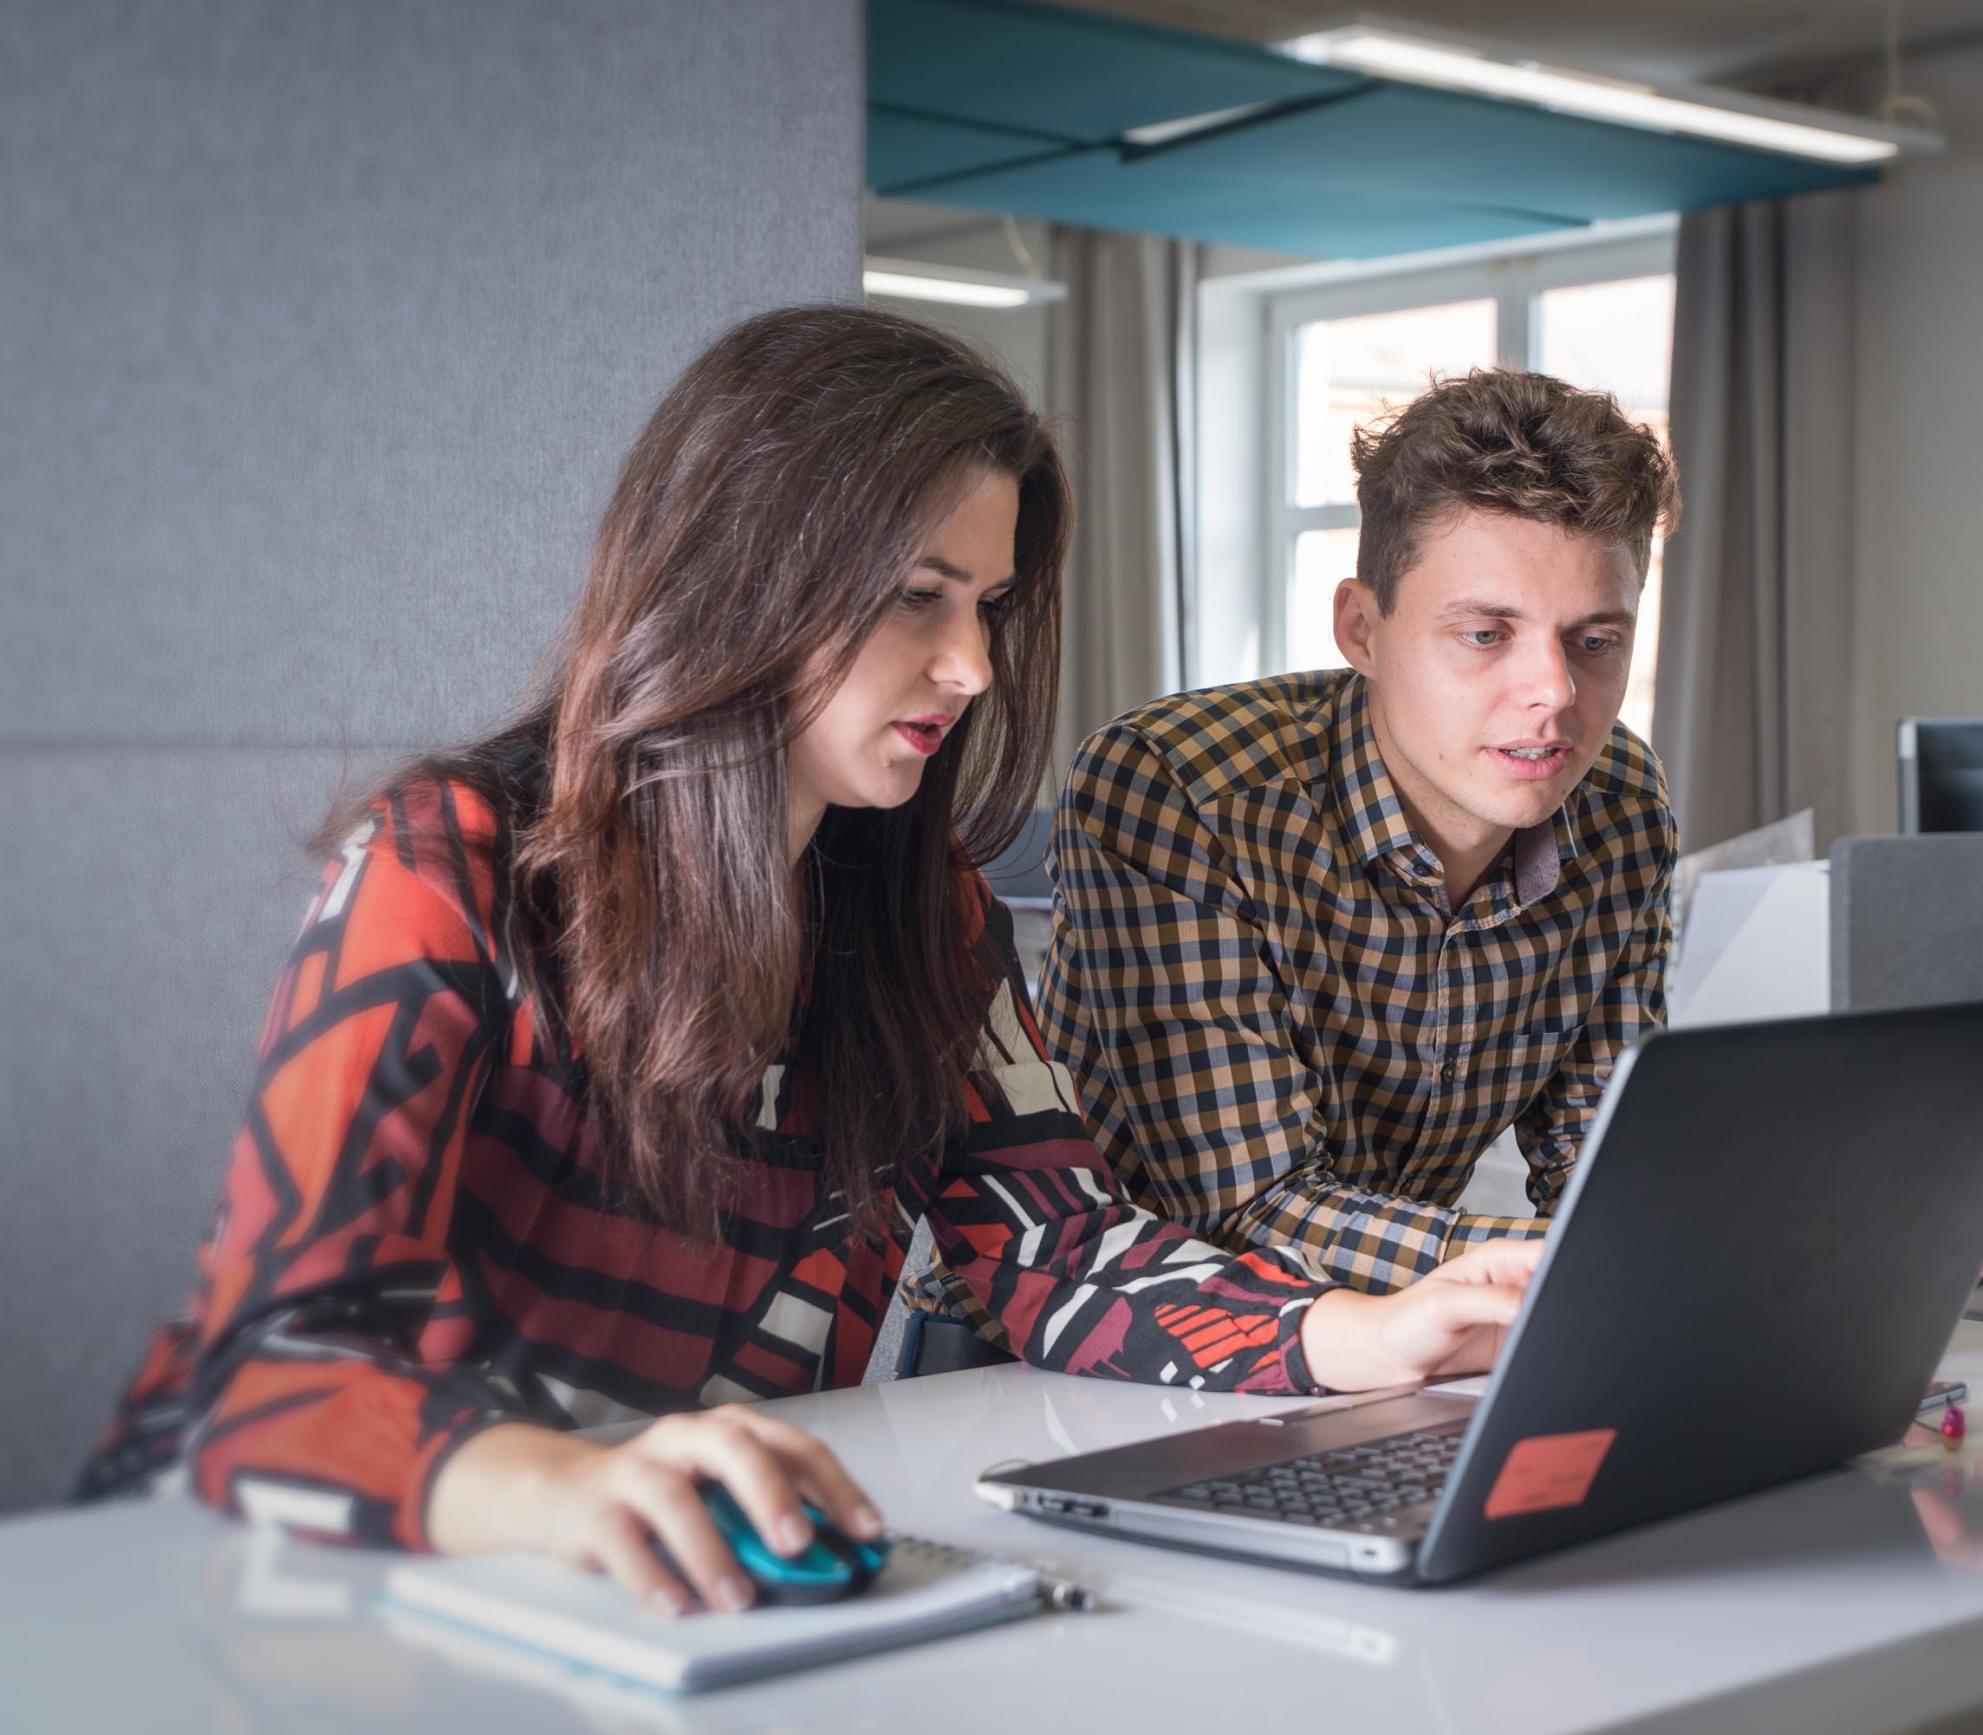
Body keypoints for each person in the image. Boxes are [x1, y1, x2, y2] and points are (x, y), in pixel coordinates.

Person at [74, 307, 1538, 1616]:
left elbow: (1056, 1244)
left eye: (988, 605)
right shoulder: (441, 865)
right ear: (746, 576)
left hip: (677, 1606)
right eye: (918, 595)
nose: (970, 667)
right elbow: (266, 1373)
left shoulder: (924, 915)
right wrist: (565, 1484)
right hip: (310, 1591)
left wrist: (1364, 1331)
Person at [1023, 369, 1680, 1309]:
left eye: (1595, 641)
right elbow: (1245, 1208)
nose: (1557, 693)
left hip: (1389, 1335)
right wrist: (1585, 1256)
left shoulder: (1620, 806)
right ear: (1362, 629)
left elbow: (1604, 1158)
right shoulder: (1180, 791)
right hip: (1069, 1352)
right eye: (1487, 634)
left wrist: (1742, 1229)